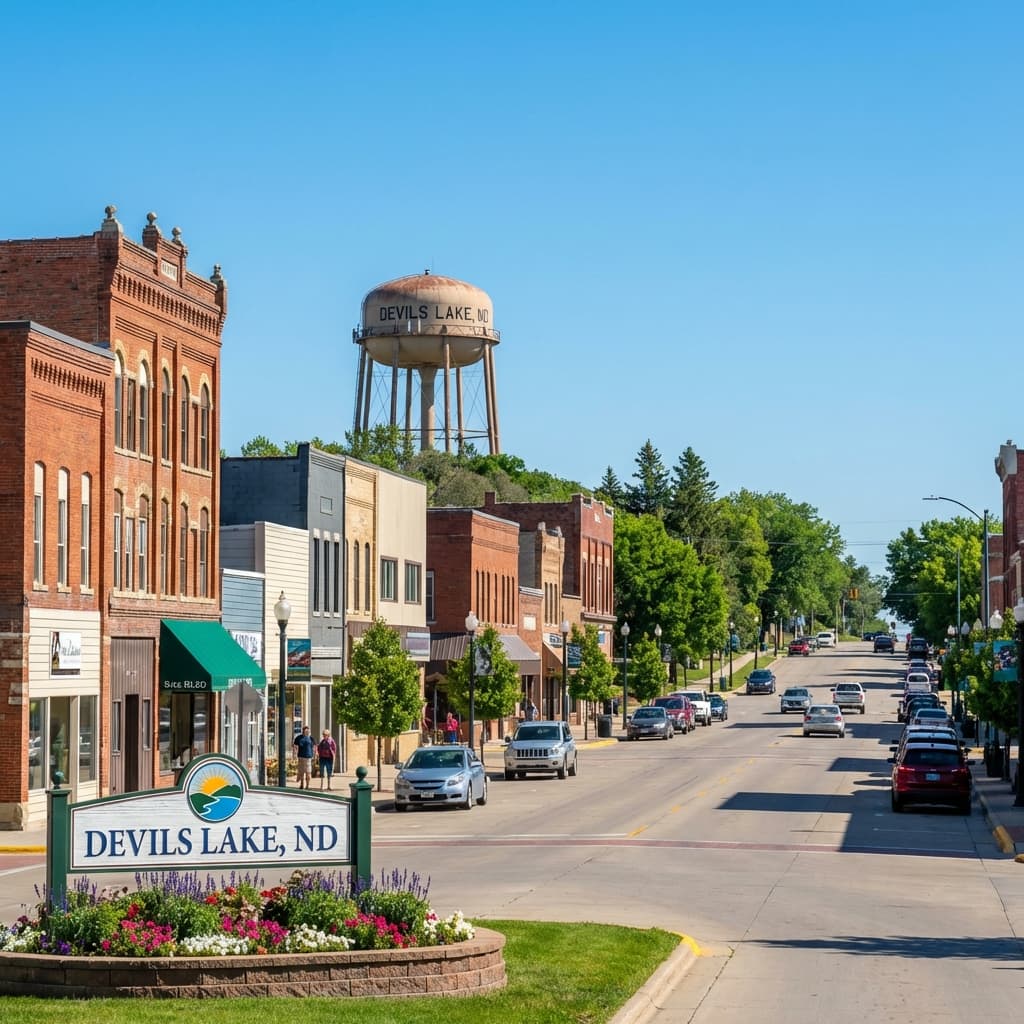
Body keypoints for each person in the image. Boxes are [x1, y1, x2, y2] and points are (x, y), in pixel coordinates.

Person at [293, 725, 314, 789]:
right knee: (301, 772)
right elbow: (295, 746)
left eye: (308, 730)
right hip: (301, 757)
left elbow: (314, 747)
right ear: (303, 731)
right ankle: (302, 784)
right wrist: (295, 754)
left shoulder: (311, 738)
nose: (307, 731)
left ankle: (307, 785)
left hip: (308, 757)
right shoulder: (298, 738)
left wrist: (315, 755)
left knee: (308, 772)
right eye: (306, 730)